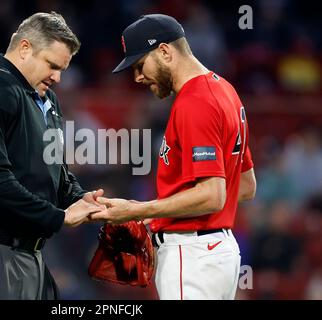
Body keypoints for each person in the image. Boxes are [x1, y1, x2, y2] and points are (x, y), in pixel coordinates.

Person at [0, 12, 105, 300]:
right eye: (52, 66)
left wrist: (85, 200)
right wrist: (57, 217)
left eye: (63, 69)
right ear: (25, 48)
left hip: (30, 255)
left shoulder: (47, 100)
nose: (58, 77)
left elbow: (58, 175)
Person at [92, 14, 257, 300]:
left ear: (165, 51)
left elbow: (213, 195)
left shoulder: (195, 102)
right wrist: (160, 211)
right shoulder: (225, 90)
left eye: (140, 65)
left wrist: (138, 211)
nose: (138, 77)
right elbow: (244, 186)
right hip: (218, 254)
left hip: (191, 255)